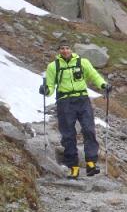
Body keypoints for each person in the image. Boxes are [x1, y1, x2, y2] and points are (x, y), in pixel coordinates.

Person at [39, 41, 111, 179]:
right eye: (62, 48)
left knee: (89, 129)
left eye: (67, 48)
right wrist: (46, 90)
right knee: (68, 135)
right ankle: (74, 167)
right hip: (64, 101)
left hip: (82, 99)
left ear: (71, 49)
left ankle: (91, 163)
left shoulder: (82, 62)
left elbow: (93, 75)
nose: (65, 51)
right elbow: (50, 86)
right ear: (58, 50)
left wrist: (103, 85)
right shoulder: (53, 66)